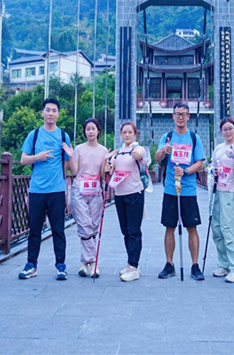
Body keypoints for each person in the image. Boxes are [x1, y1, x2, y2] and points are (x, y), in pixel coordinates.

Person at [18, 98, 71, 281]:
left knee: (58, 230)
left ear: (58, 114)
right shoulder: (34, 135)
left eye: (54, 110)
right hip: (36, 190)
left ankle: (61, 266)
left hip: (56, 190)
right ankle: (31, 265)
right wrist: (37, 157)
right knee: (34, 230)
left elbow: (66, 162)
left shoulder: (63, 136)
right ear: (42, 113)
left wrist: (61, 181)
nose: (50, 113)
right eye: (47, 110)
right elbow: (23, 160)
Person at [155, 102, 206, 281]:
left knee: (192, 227)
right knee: (169, 227)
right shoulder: (167, 137)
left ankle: (195, 265)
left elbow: (200, 163)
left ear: (188, 117)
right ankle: (169, 264)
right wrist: (164, 150)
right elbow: (157, 157)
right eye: (177, 114)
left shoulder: (194, 138)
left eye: (184, 114)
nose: (180, 117)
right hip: (171, 189)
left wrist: (185, 171)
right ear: (173, 116)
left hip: (188, 190)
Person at [64, 118, 110, 278]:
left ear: (98, 131)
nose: (90, 132)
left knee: (93, 226)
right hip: (79, 189)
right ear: (84, 132)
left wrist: (106, 161)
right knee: (84, 224)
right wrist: (71, 156)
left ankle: (85, 263)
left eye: (93, 129)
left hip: (95, 190)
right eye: (87, 129)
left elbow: (102, 174)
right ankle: (93, 262)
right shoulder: (78, 149)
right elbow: (74, 171)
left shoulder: (103, 150)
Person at [104, 121, 146, 282]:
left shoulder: (138, 148)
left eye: (130, 132)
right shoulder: (118, 153)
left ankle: (133, 266)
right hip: (119, 195)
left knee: (134, 231)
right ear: (121, 134)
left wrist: (136, 152)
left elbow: (139, 155)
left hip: (135, 193)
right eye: (124, 132)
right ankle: (131, 263)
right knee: (125, 231)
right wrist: (107, 166)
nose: (127, 135)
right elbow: (111, 170)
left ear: (135, 134)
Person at [210, 117, 234, 283]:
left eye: (230, 128)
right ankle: (223, 263)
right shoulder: (218, 148)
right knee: (217, 229)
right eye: (225, 129)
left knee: (229, 229)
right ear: (221, 131)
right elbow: (212, 166)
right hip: (216, 190)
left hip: (230, 191)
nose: (228, 131)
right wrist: (213, 170)